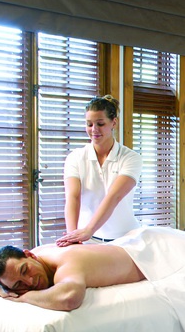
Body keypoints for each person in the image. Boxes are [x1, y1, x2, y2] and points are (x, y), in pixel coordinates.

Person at [0, 243, 145, 311]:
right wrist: (0, 290)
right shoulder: (12, 271)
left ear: (29, 255)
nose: (30, 282)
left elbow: (69, 298)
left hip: (149, 252)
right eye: (19, 284)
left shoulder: (65, 261)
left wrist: (23, 296)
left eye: (25, 271)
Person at [57, 95, 142, 246]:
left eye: (100, 124)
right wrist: (72, 237)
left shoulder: (130, 158)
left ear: (114, 122)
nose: (94, 129)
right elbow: (73, 197)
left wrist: (89, 230)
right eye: (89, 124)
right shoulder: (75, 158)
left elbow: (114, 196)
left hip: (127, 240)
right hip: (88, 240)